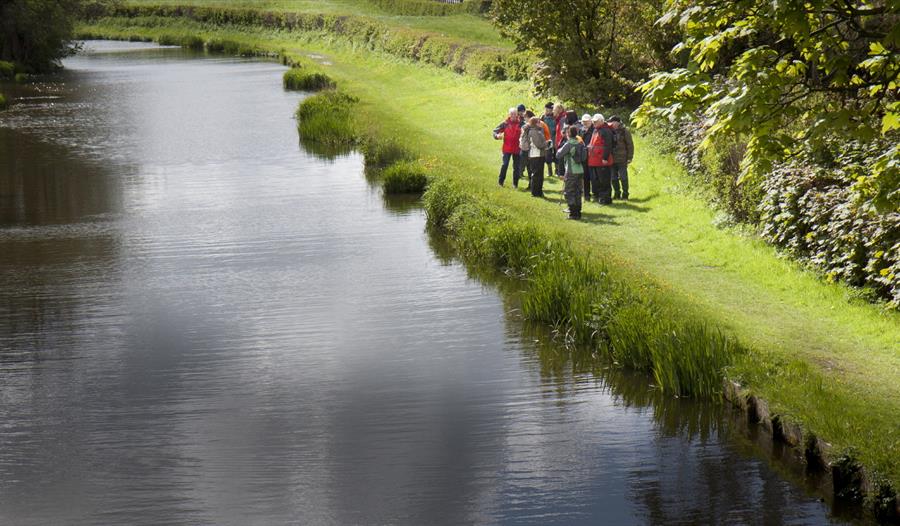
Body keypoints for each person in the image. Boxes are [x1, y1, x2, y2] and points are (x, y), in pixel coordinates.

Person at [557, 125, 586, 219]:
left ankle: (573, 213)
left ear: (568, 134)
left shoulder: (569, 144)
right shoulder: (580, 143)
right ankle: (578, 212)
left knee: (569, 191)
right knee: (578, 191)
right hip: (580, 170)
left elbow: (558, 155)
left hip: (571, 171)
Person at [587, 113, 615, 204]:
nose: (594, 123)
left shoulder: (605, 131)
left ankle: (605, 199)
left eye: (595, 121)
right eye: (593, 121)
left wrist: (605, 158)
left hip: (602, 160)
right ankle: (600, 197)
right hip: (595, 160)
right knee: (597, 180)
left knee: (604, 180)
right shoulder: (597, 129)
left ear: (601, 121)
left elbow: (608, 145)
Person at [492, 107, 522, 187]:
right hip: (507, 148)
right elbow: (495, 131)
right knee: (505, 164)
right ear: (509, 114)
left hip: (517, 149)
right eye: (511, 114)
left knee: (516, 167)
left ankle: (515, 184)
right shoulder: (505, 123)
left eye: (514, 114)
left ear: (517, 115)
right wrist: (497, 136)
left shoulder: (521, 123)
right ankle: (500, 182)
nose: (513, 116)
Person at [520, 116, 548, 197]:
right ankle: (535, 192)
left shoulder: (537, 131)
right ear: (535, 123)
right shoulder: (534, 132)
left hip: (538, 155)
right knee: (536, 174)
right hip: (535, 155)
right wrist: (547, 143)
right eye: (539, 122)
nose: (541, 123)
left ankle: (538, 191)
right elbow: (539, 144)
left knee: (539, 174)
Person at [608, 116, 634, 200]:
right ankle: (617, 193)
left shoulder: (625, 131)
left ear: (617, 122)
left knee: (623, 177)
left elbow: (630, 145)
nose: (611, 124)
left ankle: (625, 194)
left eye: (613, 122)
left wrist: (629, 157)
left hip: (622, 158)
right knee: (613, 178)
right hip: (612, 158)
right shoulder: (610, 131)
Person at [578, 114, 594, 200]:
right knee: (585, 176)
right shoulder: (580, 130)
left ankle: (595, 193)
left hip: (592, 155)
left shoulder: (594, 130)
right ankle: (587, 194)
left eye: (586, 121)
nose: (585, 123)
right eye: (583, 122)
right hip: (583, 156)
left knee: (594, 176)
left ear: (590, 121)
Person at [541, 102, 556, 178]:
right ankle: (550, 171)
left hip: (555, 137)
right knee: (548, 155)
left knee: (556, 154)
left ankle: (557, 171)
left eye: (550, 109)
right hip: (547, 138)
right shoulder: (543, 117)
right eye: (547, 109)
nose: (548, 111)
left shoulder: (555, 116)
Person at [552, 103, 567, 177]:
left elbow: (563, 133)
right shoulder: (558, 119)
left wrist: (559, 144)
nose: (553, 112)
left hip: (562, 144)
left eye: (554, 110)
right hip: (559, 143)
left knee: (563, 167)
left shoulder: (563, 119)